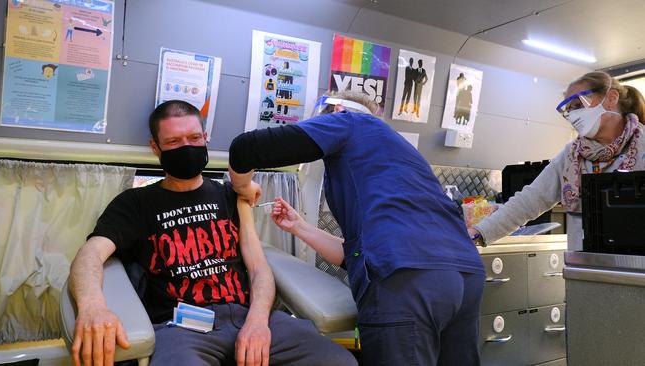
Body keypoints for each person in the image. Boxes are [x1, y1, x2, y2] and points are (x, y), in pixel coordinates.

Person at [68, 100, 357, 366]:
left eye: (194, 138)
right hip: (182, 328)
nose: (187, 147)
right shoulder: (135, 204)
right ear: (155, 148)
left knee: (340, 362)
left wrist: (257, 321)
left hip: (249, 316)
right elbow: (90, 254)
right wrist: (93, 306)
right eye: (173, 141)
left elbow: (258, 269)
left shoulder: (231, 195)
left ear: (206, 138)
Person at [229, 91, 486, 366]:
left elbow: (245, 149)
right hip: (465, 275)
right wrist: (300, 227)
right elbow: (357, 254)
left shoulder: (349, 121)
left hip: (406, 281)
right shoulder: (403, 153)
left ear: (338, 109)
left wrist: (243, 187)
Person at [469, 71, 645, 250]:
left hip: (636, 266)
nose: (574, 115)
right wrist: (478, 232)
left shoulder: (642, 145)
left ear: (611, 97)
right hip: (584, 266)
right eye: (569, 110)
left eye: (578, 105)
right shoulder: (572, 155)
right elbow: (530, 200)